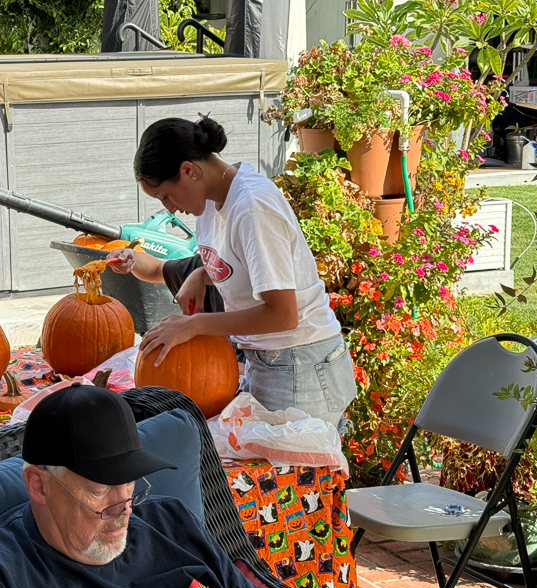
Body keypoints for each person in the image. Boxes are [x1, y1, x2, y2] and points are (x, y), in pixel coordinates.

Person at [0, 383, 533, 588]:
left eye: (130, 485)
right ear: (38, 484)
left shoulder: (166, 520)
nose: (124, 507)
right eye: (100, 490)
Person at [110, 116, 356, 428]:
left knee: (291, 477)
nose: (170, 208)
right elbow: (246, 265)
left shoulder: (253, 207)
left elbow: (283, 315)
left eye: (166, 196)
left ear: (189, 170)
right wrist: (201, 275)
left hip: (300, 364)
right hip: (268, 362)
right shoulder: (211, 203)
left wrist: (195, 325)